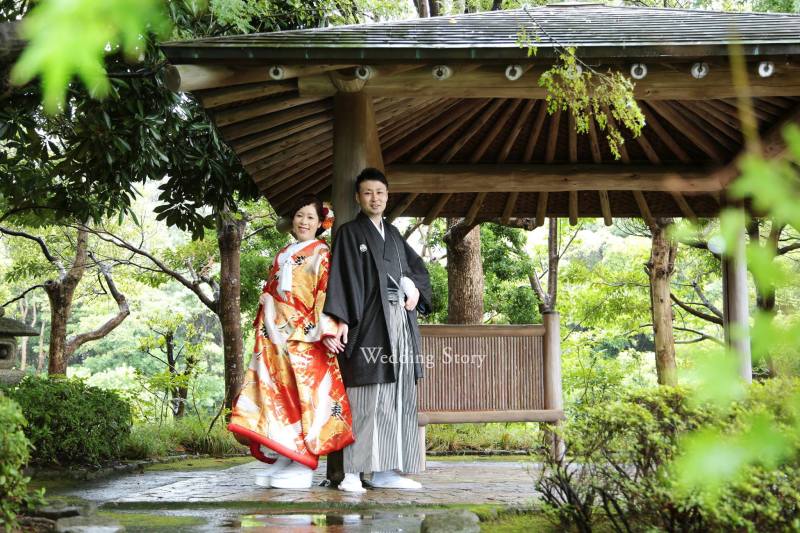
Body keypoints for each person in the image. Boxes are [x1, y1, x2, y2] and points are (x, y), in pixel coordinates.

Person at [228, 194, 354, 490]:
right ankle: (286, 455)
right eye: (299, 215)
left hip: (305, 336)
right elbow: (271, 291)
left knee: (302, 395)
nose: (304, 222)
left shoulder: (322, 253)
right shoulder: (283, 253)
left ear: (320, 222)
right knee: (277, 396)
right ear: (292, 220)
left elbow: (325, 291)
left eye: (310, 217)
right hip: (274, 334)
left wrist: (327, 329)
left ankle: (302, 463)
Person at [323, 167, 432, 493]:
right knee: (366, 397)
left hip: (400, 323)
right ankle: (354, 472)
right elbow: (343, 278)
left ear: (387, 196)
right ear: (358, 197)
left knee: (398, 397)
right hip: (368, 323)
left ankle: (386, 470)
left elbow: (416, 271)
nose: (375, 198)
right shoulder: (349, 232)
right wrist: (341, 318)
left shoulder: (394, 235)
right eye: (368, 193)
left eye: (380, 193)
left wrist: (413, 285)